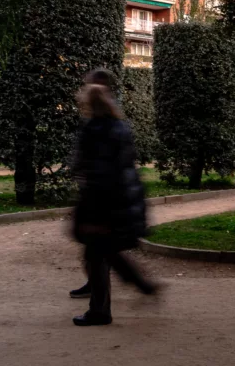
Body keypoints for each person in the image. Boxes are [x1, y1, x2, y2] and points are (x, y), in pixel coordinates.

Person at [71, 82, 156, 326]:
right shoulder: (121, 127)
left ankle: (101, 311)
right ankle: (141, 285)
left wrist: (92, 210)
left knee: (97, 254)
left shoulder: (92, 129)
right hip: (121, 197)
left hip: (101, 201)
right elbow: (125, 163)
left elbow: (91, 169)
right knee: (104, 250)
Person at [69, 68, 118, 300]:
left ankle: (101, 302)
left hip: (99, 196)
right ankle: (97, 288)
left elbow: (88, 162)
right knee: (98, 249)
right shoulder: (114, 124)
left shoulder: (97, 126)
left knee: (99, 250)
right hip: (105, 194)